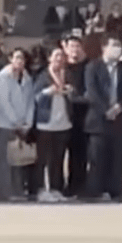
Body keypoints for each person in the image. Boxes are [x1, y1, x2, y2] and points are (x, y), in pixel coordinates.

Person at [84, 34, 122, 202]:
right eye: (113, 44)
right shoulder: (93, 66)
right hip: (98, 121)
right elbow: (92, 91)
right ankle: (95, 192)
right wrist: (106, 110)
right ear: (104, 47)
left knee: (119, 158)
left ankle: (118, 192)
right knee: (98, 158)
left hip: (120, 119)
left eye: (119, 45)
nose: (117, 48)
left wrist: (120, 106)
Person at [32, 47, 74, 203]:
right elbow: (35, 97)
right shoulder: (43, 75)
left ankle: (56, 188)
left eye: (62, 56)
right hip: (46, 123)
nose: (59, 59)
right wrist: (47, 92)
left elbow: (75, 94)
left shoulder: (67, 74)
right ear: (50, 58)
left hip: (63, 122)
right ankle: (41, 189)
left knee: (58, 158)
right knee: (43, 159)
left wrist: (70, 91)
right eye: (56, 55)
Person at [0, 47, 35, 202]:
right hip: (6, 124)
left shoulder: (27, 78)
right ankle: (6, 191)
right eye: (17, 57)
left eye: (22, 58)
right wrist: (16, 122)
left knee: (19, 160)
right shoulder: (2, 77)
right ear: (10, 58)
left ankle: (18, 190)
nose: (20, 61)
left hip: (23, 125)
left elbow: (30, 101)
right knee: (5, 160)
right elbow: (4, 102)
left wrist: (28, 122)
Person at [63, 33, 89, 198]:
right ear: (65, 48)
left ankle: (78, 185)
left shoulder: (87, 67)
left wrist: (76, 95)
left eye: (78, 46)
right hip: (61, 115)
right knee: (58, 154)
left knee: (79, 153)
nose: (75, 50)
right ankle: (58, 185)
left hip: (81, 116)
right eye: (72, 46)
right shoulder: (61, 66)